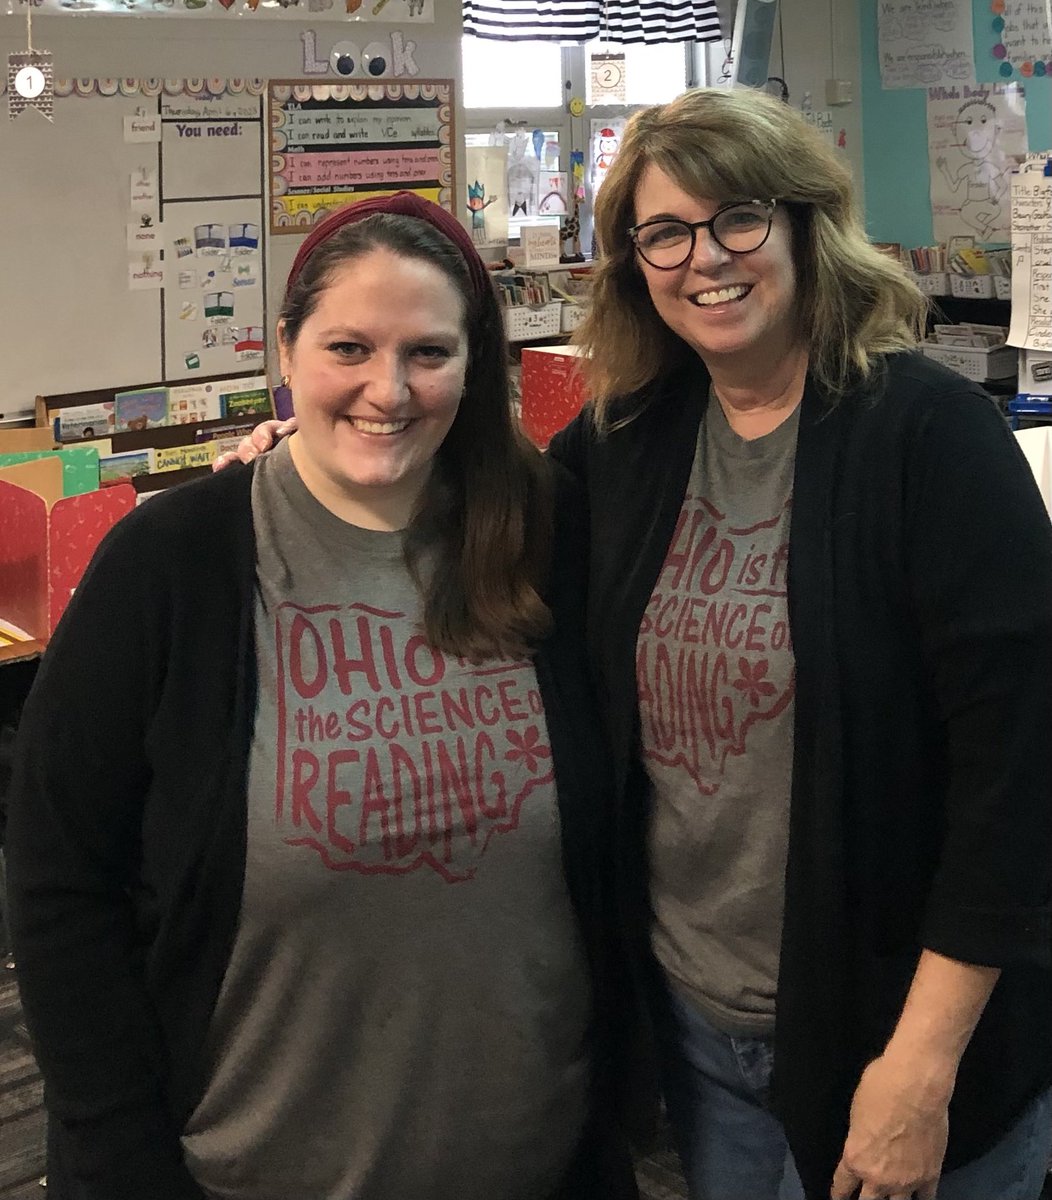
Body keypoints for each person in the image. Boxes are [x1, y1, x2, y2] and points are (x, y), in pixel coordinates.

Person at [229, 90, 1052, 1200]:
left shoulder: (928, 438)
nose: (702, 257)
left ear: (805, 223)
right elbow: (469, 503)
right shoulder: (631, 439)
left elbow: (1016, 783)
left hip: (896, 1042)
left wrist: (919, 1064)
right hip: (699, 1036)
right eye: (663, 232)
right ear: (632, 263)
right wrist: (300, 450)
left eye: (736, 218)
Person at [6, 192, 638, 1200]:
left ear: (475, 366)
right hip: (244, 1166)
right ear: (287, 352)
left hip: (539, 1160)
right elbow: (59, 885)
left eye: (427, 353)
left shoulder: (547, 535)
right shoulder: (173, 566)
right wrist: (120, 1155)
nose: (386, 390)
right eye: (348, 347)